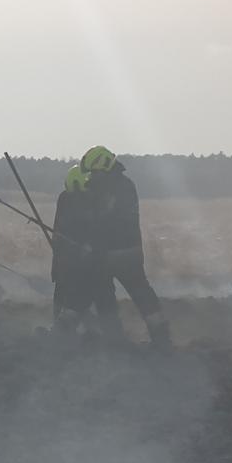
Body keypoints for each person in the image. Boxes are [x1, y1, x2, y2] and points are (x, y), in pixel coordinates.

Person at [82, 145, 171, 347]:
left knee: (137, 295)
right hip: (120, 252)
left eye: (94, 172)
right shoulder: (121, 185)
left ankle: (157, 339)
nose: (91, 177)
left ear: (103, 167)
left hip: (119, 253)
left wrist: (92, 244)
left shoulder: (117, 188)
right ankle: (123, 339)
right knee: (110, 296)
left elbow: (104, 220)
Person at [50, 166, 119, 336]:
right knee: (92, 298)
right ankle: (107, 334)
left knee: (74, 297)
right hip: (79, 260)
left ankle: (65, 331)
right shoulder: (86, 200)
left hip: (74, 262)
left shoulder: (69, 199)